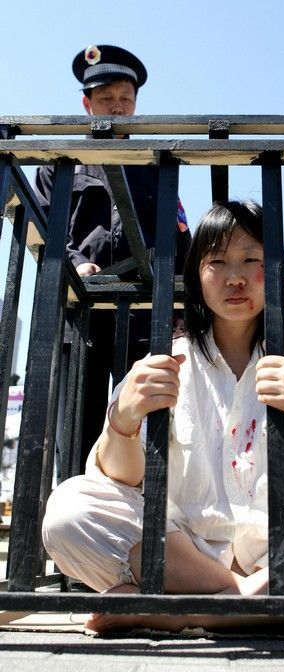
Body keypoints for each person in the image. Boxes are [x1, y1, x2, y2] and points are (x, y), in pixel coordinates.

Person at [42, 200, 284, 633]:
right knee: (68, 509)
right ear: (197, 274)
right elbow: (119, 484)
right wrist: (124, 419)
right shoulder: (168, 363)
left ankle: (190, 612)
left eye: (252, 259)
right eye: (217, 261)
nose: (235, 277)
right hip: (183, 555)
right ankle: (255, 604)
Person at [34, 45, 191, 470]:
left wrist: (180, 313)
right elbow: (47, 229)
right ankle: (69, 525)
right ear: (87, 104)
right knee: (75, 432)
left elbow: (180, 239)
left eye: (126, 99)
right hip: (80, 315)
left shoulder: (158, 163)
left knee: (150, 432)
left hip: (144, 315)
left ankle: (146, 525)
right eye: (107, 99)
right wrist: (73, 263)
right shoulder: (60, 162)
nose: (118, 108)